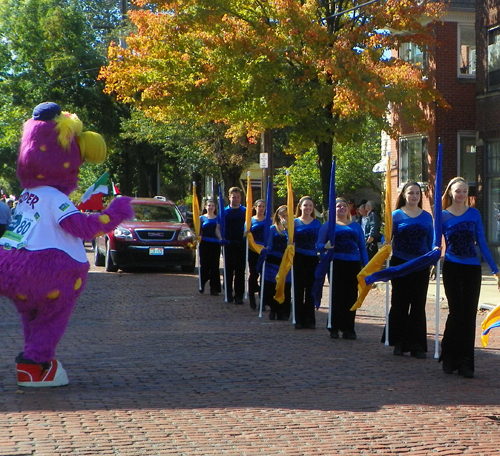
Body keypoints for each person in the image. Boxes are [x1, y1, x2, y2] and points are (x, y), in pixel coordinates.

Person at [440, 177, 500, 378]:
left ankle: (466, 362)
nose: (461, 195)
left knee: (468, 315)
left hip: (472, 269)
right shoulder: (443, 216)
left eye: (465, 191)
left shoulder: (474, 214)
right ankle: (449, 355)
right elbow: (435, 243)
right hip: (452, 267)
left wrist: (495, 269)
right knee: (456, 313)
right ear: (450, 192)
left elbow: (482, 242)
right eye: (458, 191)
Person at [382, 182, 433, 358]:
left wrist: (434, 257)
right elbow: (387, 238)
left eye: (417, 193)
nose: (414, 196)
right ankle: (400, 342)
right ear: (404, 194)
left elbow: (431, 241)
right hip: (400, 263)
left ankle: (417, 344)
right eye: (411, 193)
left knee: (418, 304)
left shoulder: (427, 217)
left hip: (420, 265)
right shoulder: (395, 216)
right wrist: (385, 245)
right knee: (400, 302)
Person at [318, 198, 368, 340]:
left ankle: (349, 328)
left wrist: (367, 265)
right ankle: (333, 326)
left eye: (344, 206)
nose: (341, 208)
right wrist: (325, 248)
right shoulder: (328, 226)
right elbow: (319, 245)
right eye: (338, 206)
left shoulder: (356, 226)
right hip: (336, 264)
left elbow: (362, 247)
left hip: (353, 264)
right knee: (337, 296)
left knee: (351, 296)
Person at [293, 196, 322, 329]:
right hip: (298, 258)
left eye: (310, 205)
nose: (308, 208)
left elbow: (321, 241)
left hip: (312, 259)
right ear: (300, 207)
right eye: (305, 205)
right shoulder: (294, 222)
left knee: (311, 289)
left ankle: (310, 319)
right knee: (299, 289)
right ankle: (298, 319)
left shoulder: (317, 224)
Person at [262, 205, 291, 320]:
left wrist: (288, 229)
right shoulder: (273, 229)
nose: (284, 218)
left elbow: (292, 243)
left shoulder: (292, 228)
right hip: (273, 260)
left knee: (286, 286)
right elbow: (270, 244)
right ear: (278, 216)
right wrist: (265, 250)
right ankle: (273, 309)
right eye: (282, 216)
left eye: (287, 215)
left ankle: (284, 311)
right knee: (273, 286)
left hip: (286, 261)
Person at [222, 187, 246, 304]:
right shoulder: (224, 212)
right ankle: (228, 293)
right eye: (233, 197)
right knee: (228, 270)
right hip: (228, 244)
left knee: (240, 271)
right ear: (229, 198)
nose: (236, 199)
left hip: (241, 244)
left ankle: (239, 295)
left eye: (237, 197)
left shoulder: (245, 211)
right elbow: (219, 227)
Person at [245, 199, 266, 309]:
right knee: (254, 274)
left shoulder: (268, 221)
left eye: (263, 206)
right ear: (255, 207)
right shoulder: (250, 221)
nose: (261, 208)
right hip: (253, 250)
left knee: (264, 275)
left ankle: (263, 300)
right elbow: (246, 234)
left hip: (264, 251)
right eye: (259, 206)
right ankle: (252, 297)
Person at [198, 200, 221, 296]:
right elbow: (198, 230)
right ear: (205, 207)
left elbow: (218, 230)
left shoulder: (218, 218)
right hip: (204, 244)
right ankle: (202, 284)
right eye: (209, 205)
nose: (211, 207)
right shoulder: (201, 218)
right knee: (204, 264)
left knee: (214, 266)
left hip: (215, 244)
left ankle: (214, 288)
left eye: (213, 205)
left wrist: (221, 239)